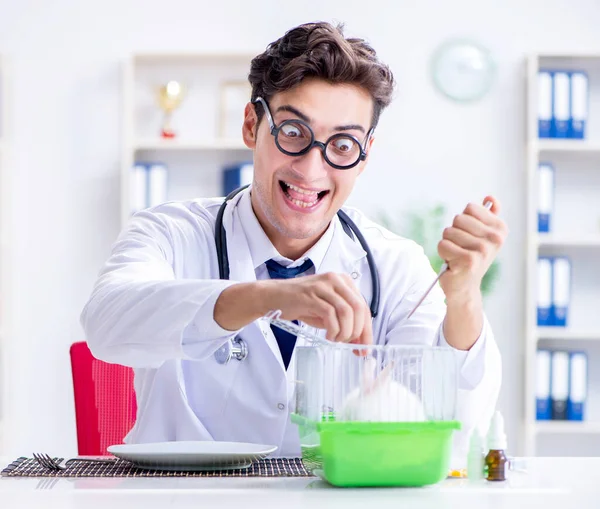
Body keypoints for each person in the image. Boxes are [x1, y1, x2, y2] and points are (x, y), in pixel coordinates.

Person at [81, 21, 507, 459]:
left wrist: (464, 300)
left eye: (342, 145)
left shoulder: (394, 263)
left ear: (364, 156)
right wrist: (268, 296)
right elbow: (106, 323)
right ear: (252, 126)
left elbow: (454, 429)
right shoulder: (169, 232)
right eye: (292, 132)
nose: (311, 169)